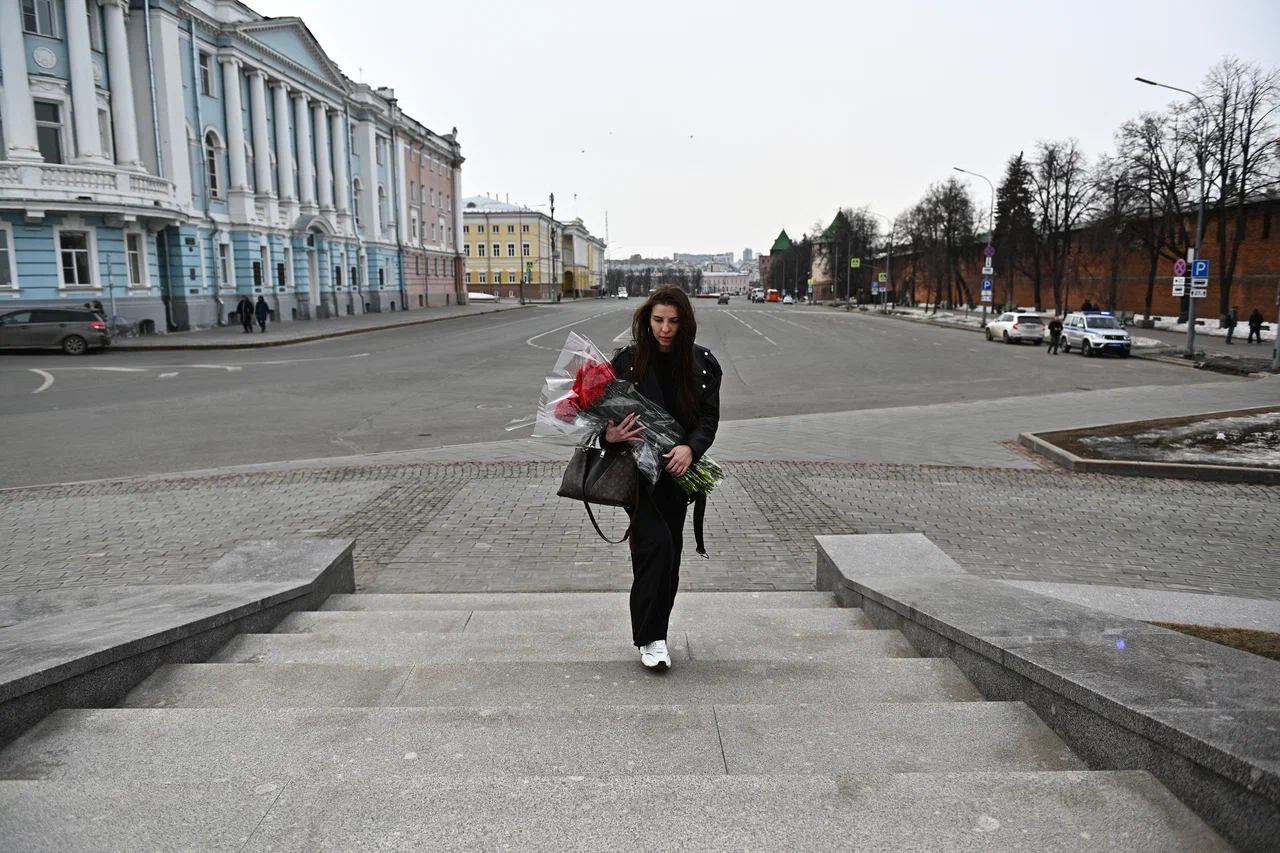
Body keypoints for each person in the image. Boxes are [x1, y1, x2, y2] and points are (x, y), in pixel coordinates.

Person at [603, 286, 721, 672]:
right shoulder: (628, 361)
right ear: (647, 319)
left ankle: (656, 633)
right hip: (637, 475)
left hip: (676, 473)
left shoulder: (703, 364)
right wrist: (610, 434)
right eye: (658, 320)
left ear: (685, 322)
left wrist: (691, 448)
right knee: (657, 547)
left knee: (669, 557)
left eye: (673, 321)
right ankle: (650, 639)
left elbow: (707, 418)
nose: (665, 329)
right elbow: (604, 417)